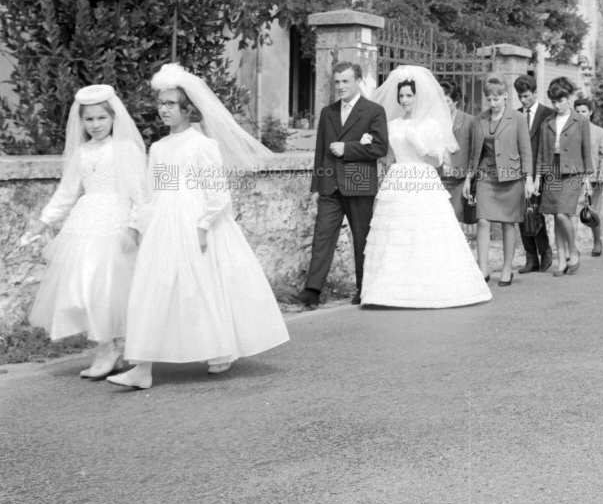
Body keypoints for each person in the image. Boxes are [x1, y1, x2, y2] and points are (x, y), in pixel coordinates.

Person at [107, 64, 289, 390]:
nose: (163, 109)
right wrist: (136, 227)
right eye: (161, 103)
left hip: (193, 220)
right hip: (164, 222)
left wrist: (203, 227)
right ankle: (141, 368)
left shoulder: (201, 145)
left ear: (187, 108)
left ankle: (218, 348)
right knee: (153, 287)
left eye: (171, 104)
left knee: (203, 287)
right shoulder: (159, 148)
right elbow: (152, 194)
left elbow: (217, 192)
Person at [22, 85, 146, 380]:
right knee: (82, 287)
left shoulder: (125, 148)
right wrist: (42, 222)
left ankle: (112, 346)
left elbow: (139, 193)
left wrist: (133, 228)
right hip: (85, 222)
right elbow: (67, 193)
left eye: (101, 118)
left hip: (115, 223)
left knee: (108, 289)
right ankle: (106, 345)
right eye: (89, 120)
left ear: (113, 117)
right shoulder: (81, 151)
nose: (96, 125)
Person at [360, 67, 492, 308]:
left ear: (418, 96)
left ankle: (430, 287)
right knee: (397, 235)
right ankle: (389, 290)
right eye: (402, 96)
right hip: (399, 180)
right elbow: (389, 159)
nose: (404, 100)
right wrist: (369, 144)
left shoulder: (431, 125)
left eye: (409, 95)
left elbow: (437, 161)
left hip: (423, 179)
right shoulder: (393, 125)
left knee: (425, 232)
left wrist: (420, 145)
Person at [289, 62, 389, 307]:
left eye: (345, 81)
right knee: (322, 236)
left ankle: (363, 288)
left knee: (361, 238)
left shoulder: (373, 111)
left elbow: (380, 147)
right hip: (330, 185)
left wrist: (348, 148)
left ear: (357, 81)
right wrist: (316, 186)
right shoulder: (328, 112)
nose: (341, 86)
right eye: (337, 82)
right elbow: (321, 151)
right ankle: (312, 291)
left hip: (359, 183)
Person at [464, 74, 534, 287]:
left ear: (505, 96)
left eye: (496, 99)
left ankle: (506, 269)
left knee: (508, 223)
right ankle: (483, 268)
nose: (492, 104)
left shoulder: (518, 119)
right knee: (483, 220)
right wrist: (469, 179)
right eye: (489, 100)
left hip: (511, 178)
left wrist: (529, 179)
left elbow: (526, 152)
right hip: (486, 176)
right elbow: (474, 153)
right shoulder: (479, 120)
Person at [537, 77, 593, 275]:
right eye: (553, 101)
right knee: (555, 215)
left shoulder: (581, 121)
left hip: (573, 173)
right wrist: (538, 176)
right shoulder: (547, 122)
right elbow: (542, 152)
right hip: (552, 172)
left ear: (569, 98)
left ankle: (573, 251)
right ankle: (561, 261)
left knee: (562, 213)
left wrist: (587, 179)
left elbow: (587, 151)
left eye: (560, 101)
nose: (557, 105)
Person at [514, 75, 554, 273]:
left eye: (527, 96)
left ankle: (545, 250)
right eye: (520, 96)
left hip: (540, 172)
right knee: (523, 213)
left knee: (535, 211)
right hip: (520, 172)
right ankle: (531, 258)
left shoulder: (549, 114)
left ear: (535, 93)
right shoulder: (515, 115)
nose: (523, 100)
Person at [572, 97, 603, 257]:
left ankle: (597, 241)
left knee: (593, 212)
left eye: (584, 111)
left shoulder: (600, 132)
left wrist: (602, 175)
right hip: (574, 179)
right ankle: (572, 246)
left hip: (594, 180)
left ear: (590, 112)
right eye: (578, 111)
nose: (581, 114)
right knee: (573, 213)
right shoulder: (571, 131)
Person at [438, 79, 475, 224]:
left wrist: (469, 179)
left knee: (453, 222)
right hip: (437, 179)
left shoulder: (469, 121)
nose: (442, 105)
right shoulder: (433, 121)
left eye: (446, 101)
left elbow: (474, 154)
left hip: (459, 181)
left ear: (456, 101)